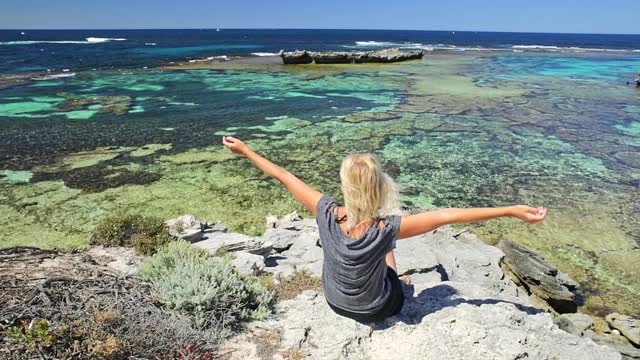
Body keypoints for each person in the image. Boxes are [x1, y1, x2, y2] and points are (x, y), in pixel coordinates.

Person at [222, 136, 548, 323]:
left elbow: (285, 177)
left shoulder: (325, 211)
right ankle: (400, 280)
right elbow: (450, 215)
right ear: (378, 185)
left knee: (384, 247)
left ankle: (395, 278)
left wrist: (246, 150)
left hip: (335, 303)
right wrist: (511, 210)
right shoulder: (387, 228)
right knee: (390, 256)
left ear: (345, 186)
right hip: (377, 308)